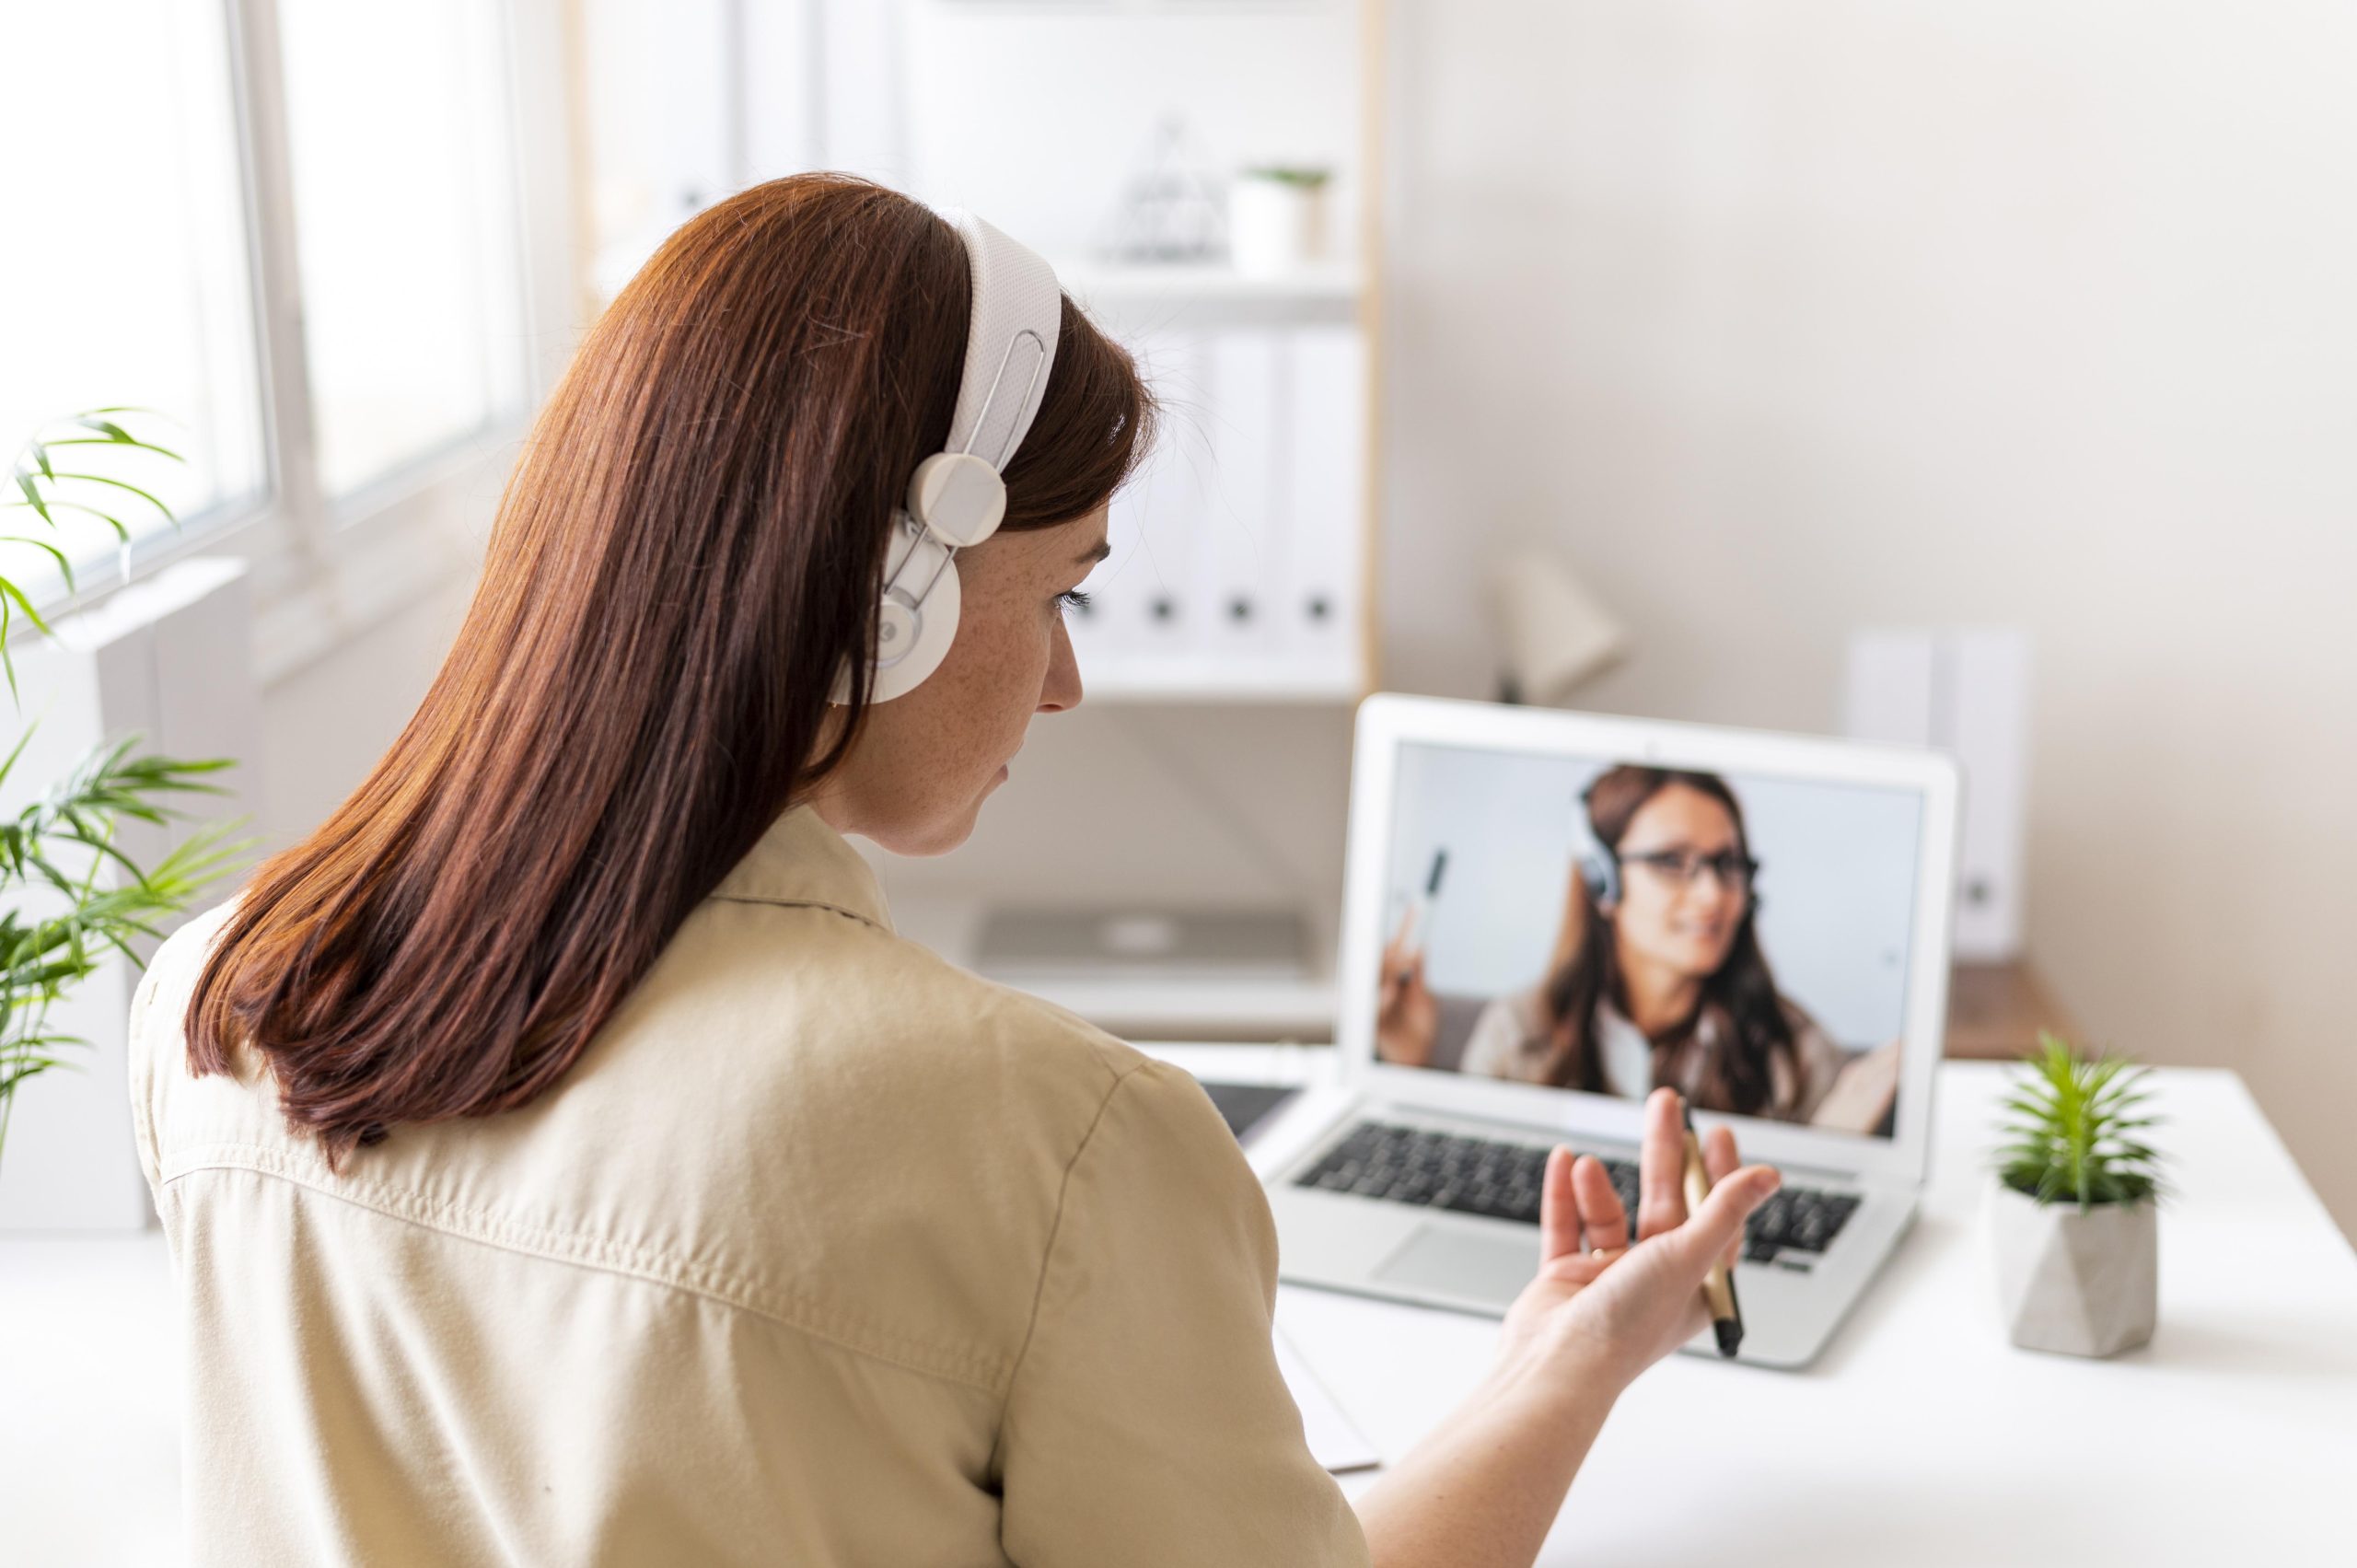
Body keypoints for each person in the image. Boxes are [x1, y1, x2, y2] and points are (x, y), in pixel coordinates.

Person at [127, 175, 1781, 1568]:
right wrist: (1581, 1378)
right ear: (886, 585)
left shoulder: (216, 993)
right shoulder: (1051, 1141)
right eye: (1066, 589)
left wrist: (1552, 1344)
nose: (1064, 683)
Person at [1377, 765, 1901, 1133]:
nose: (1714, 895)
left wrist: (1835, 1150)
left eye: (1728, 865)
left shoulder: (1798, 1054)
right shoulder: (1519, 1032)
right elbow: (1466, 1175)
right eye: (1673, 861)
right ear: (1602, 881)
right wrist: (1409, 1069)